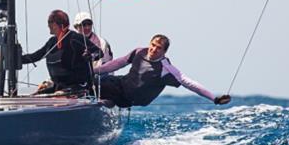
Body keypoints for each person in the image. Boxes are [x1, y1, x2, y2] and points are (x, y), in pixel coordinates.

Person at [95, 34, 231, 107]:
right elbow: (119, 63)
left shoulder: (166, 68)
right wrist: (95, 70)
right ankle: (98, 100)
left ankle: (108, 102)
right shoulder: (139, 52)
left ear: (164, 51)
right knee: (96, 80)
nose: (153, 49)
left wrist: (214, 98)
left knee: (106, 89)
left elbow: (189, 83)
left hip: (132, 98)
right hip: (121, 84)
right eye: (153, 45)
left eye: (158, 48)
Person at [21, 10, 102, 93]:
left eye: (51, 22)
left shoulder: (75, 38)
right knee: (36, 96)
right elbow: (35, 56)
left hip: (79, 87)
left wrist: (90, 56)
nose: (48, 25)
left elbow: (98, 52)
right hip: (59, 87)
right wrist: (17, 59)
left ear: (61, 25)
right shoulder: (51, 42)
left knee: (59, 95)